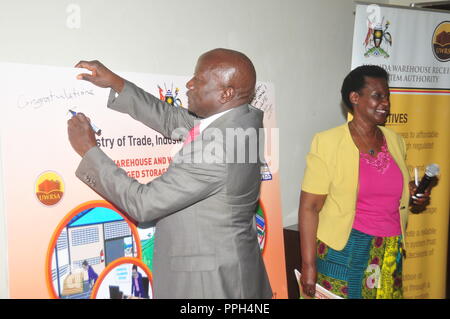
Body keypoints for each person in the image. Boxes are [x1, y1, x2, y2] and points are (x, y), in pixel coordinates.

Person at [67, 48, 272, 299]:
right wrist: (117, 83)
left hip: (210, 285)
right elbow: (172, 118)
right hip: (235, 269)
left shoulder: (218, 148)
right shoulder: (242, 119)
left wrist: (89, 151)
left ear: (226, 93)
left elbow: (143, 203)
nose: (189, 83)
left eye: (198, 79)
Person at [298, 65, 431, 299]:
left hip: (389, 252)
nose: (386, 103)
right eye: (378, 96)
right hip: (344, 251)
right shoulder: (327, 142)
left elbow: (393, 191)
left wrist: (413, 194)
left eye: (387, 96)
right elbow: (310, 207)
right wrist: (309, 265)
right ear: (355, 98)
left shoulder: (395, 141)